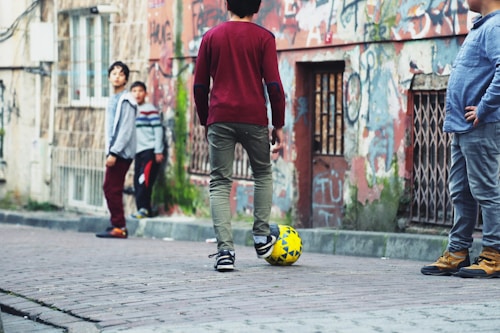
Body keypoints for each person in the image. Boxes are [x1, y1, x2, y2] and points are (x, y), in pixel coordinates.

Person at [193, 0, 286, 271]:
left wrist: (205, 119)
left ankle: (225, 252)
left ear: (225, 5)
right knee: (262, 173)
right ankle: (260, 237)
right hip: (254, 117)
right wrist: (278, 124)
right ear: (257, 8)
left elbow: (200, 85)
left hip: (220, 117)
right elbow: (274, 86)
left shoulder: (211, 37)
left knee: (220, 181)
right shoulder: (264, 38)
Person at [421, 0, 500, 278]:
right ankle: (457, 252)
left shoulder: (495, 26)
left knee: (487, 191)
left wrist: (484, 107)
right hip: (462, 126)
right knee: (461, 192)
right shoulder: (481, 27)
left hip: (482, 123)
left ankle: (494, 254)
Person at [96, 61, 137, 239]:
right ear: (109, 77)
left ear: (126, 79)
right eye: (114, 73)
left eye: (121, 74)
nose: (117, 76)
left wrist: (114, 152)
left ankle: (119, 226)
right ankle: (116, 224)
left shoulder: (127, 100)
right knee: (112, 187)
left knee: (111, 187)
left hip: (121, 152)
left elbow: (126, 129)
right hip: (114, 150)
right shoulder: (113, 98)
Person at [129, 81, 164, 219]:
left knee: (145, 180)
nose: (137, 94)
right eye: (134, 91)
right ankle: (144, 209)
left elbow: (158, 130)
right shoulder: (131, 110)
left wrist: (158, 150)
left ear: (145, 93)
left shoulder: (149, 109)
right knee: (137, 180)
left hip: (149, 151)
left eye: (140, 91)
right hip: (138, 152)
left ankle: (144, 209)